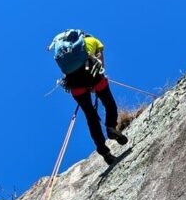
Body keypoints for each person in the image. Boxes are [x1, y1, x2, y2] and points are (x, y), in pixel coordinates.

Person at [49, 30, 128, 166]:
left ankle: (103, 150)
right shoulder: (93, 41)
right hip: (92, 75)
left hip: (74, 84)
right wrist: (97, 80)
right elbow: (100, 64)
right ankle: (111, 127)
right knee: (109, 103)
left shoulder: (65, 51)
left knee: (90, 116)